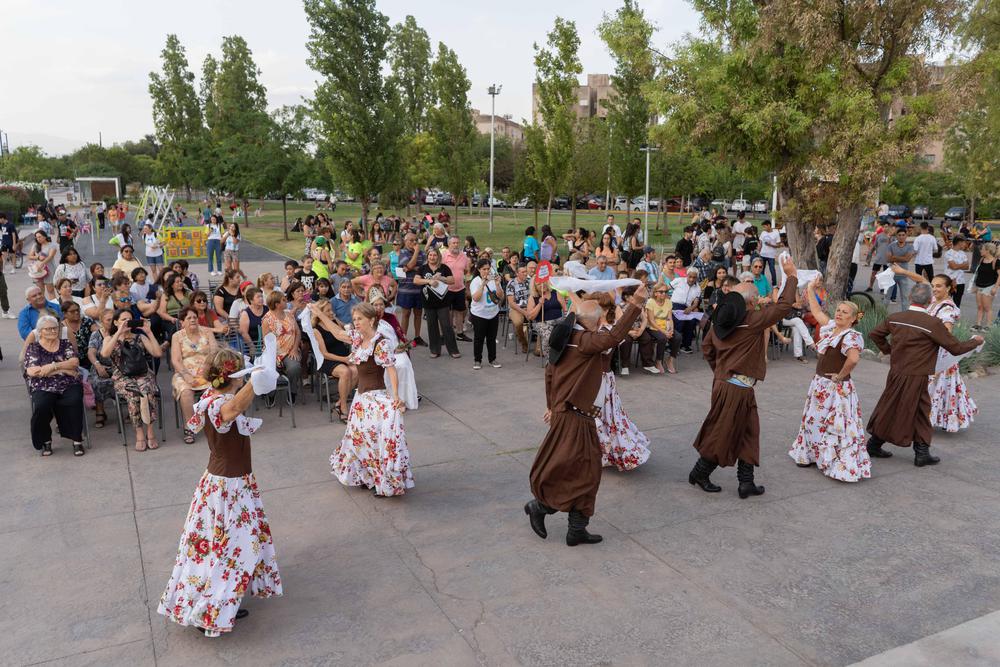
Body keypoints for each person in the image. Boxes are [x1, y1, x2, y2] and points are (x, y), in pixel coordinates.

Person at [158, 347, 282, 637]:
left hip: (226, 482)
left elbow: (235, 406)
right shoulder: (219, 404)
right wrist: (256, 379)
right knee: (235, 548)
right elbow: (234, 409)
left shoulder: (212, 399)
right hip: (228, 486)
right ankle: (212, 609)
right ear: (233, 376)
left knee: (224, 547)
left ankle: (220, 602)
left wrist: (253, 378)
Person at [524, 284, 647, 546]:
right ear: (592, 323)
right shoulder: (584, 341)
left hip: (571, 414)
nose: (603, 321)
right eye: (600, 319)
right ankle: (541, 506)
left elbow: (549, 375)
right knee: (579, 471)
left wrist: (552, 405)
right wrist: (635, 303)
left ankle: (576, 528)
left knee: (587, 471)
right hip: (574, 418)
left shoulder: (564, 338)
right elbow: (613, 338)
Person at [688, 255, 800, 497]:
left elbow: (708, 349)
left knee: (749, 431)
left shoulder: (722, 321)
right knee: (722, 433)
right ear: (750, 303)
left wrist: (720, 372)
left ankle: (746, 482)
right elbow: (783, 307)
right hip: (735, 387)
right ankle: (700, 472)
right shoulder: (750, 321)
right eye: (755, 299)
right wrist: (791, 276)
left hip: (732, 384)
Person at [866, 283, 983, 466]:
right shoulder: (932, 323)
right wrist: (975, 341)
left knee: (903, 408)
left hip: (897, 372)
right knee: (904, 409)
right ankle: (891, 448)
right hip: (917, 375)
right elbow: (955, 348)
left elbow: (875, 334)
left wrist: (889, 350)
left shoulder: (896, 317)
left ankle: (914, 451)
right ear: (930, 301)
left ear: (911, 298)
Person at [787, 281, 871, 481]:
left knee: (835, 424)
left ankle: (834, 461)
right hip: (820, 384)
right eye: (839, 310)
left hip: (836, 387)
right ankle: (812, 454)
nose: (839, 314)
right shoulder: (832, 328)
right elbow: (816, 312)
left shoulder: (850, 336)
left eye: (844, 312)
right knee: (814, 419)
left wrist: (840, 376)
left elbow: (853, 359)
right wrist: (810, 289)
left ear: (852, 319)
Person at [329, 303, 413, 496]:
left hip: (375, 399)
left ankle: (383, 480)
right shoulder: (359, 339)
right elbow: (336, 333)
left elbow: (391, 369)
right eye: (355, 319)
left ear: (371, 320)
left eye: (359, 319)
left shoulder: (380, 342)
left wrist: (396, 396)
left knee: (375, 441)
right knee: (358, 440)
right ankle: (366, 477)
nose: (356, 323)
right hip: (361, 401)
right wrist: (317, 314)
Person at [893, 267, 978, 433]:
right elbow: (921, 280)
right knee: (939, 387)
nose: (934, 288)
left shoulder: (947, 308)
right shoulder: (932, 298)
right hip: (929, 350)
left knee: (935, 386)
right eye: (933, 285)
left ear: (948, 288)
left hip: (939, 353)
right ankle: (928, 418)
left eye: (939, 286)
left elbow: (946, 332)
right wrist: (902, 271)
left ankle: (924, 419)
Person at [588, 293, 652, 471]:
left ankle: (606, 452)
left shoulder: (607, 331)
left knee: (605, 415)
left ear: (605, 309)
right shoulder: (594, 327)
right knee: (599, 416)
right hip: (596, 378)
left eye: (596, 306)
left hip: (601, 379)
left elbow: (602, 350)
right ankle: (597, 452)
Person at [101, 310, 162, 451]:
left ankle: (150, 431)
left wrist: (149, 332)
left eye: (129, 319)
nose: (127, 322)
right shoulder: (109, 339)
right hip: (122, 376)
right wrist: (119, 333)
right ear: (115, 322)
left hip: (143, 374)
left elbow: (157, 353)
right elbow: (105, 354)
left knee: (146, 391)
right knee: (134, 394)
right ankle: (139, 433)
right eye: (123, 320)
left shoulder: (140, 337)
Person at [25, 315, 85, 457]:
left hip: (68, 383)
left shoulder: (65, 344)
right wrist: (63, 369)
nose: (53, 331)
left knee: (74, 400)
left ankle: (77, 440)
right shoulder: (34, 347)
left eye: (55, 328)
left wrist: (52, 366)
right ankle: (45, 440)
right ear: (40, 332)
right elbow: (33, 371)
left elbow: (74, 362)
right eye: (48, 329)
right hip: (43, 385)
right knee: (41, 405)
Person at [309, 299, 358, 423]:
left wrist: (349, 328)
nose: (332, 313)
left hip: (344, 356)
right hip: (328, 360)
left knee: (357, 370)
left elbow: (346, 331)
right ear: (320, 313)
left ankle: (339, 402)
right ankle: (343, 408)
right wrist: (345, 360)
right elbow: (324, 354)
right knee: (345, 372)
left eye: (332, 310)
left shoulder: (335, 322)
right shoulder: (316, 330)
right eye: (328, 311)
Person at [414, 246, 461, 359]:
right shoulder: (423, 268)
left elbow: (452, 280)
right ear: (427, 256)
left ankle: (453, 350)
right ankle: (435, 350)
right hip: (428, 302)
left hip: (443, 302)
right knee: (432, 326)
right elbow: (416, 280)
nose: (432, 257)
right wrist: (429, 281)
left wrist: (441, 279)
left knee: (446, 326)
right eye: (430, 255)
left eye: (434, 255)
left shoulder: (444, 267)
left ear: (438, 256)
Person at [262, 290, 302, 404]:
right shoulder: (267, 319)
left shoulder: (289, 314)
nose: (286, 301)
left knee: (294, 368)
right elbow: (267, 341)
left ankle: (292, 391)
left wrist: (294, 349)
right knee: (270, 369)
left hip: (290, 351)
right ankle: (270, 393)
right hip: (273, 353)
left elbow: (298, 333)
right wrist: (274, 357)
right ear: (277, 304)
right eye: (283, 300)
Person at [468, 258, 503, 370]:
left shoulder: (494, 279)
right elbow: (476, 298)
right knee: (479, 338)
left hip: (493, 313)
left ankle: (492, 359)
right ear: (479, 269)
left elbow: (500, 296)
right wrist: (483, 285)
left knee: (491, 338)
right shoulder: (475, 281)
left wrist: (497, 284)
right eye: (484, 269)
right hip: (479, 315)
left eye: (488, 269)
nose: (487, 271)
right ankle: (477, 360)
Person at [87, 308, 116, 428]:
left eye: (113, 319)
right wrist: (98, 365)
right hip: (101, 365)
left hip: (119, 366)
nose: (111, 322)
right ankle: (100, 410)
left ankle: (131, 409)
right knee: (96, 381)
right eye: (108, 320)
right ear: (101, 321)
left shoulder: (122, 332)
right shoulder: (96, 334)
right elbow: (91, 352)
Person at [396, 233, 426, 346]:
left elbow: (422, 268)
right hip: (406, 289)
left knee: (418, 313)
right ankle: (403, 339)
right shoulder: (403, 252)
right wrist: (416, 253)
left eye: (415, 240)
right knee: (406, 314)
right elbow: (409, 265)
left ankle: (417, 337)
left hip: (419, 288)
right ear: (406, 241)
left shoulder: (423, 253)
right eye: (411, 240)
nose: (413, 243)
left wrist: (410, 267)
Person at [644, 283, 680, 374]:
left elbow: (670, 318)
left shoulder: (668, 302)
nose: (664, 293)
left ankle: (670, 359)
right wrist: (664, 332)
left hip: (665, 325)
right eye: (661, 292)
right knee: (662, 338)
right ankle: (658, 360)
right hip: (653, 327)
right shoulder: (650, 302)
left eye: (665, 292)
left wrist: (671, 329)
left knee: (678, 337)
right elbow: (651, 321)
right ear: (655, 293)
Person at [525, 279, 567, 358]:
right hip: (542, 323)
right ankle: (550, 359)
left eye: (543, 282)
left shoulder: (555, 292)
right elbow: (530, 316)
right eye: (538, 284)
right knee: (549, 337)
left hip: (559, 321)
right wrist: (540, 304)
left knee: (568, 334)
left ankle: (562, 357)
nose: (542, 285)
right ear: (535, 287)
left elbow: (565, 308)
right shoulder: (533, 297)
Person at [670, 271, 702, 353]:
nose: (691, 279)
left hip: (688, 307)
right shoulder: (679, 281)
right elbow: (666, 289)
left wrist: (691, 308)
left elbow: (696, 302)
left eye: (694, 277)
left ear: (696, 278)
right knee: (678, 322)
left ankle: (685, 345)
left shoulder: (698, 287)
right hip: (675, 304)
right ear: (687, 275)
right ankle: (672, 346)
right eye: (690, 277)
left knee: (692, 321)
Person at [885, 227, 916, 309]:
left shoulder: (910, 247)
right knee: (887, 297)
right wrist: (902, 258)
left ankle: (905, 316)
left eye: (903, 235)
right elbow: (888, 259)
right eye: (899, 235)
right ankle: (881, 315)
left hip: (903, 275)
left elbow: (907, 259)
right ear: (896, 236)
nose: (901, 237)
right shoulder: (891, 245)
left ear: (906, 236)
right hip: (891, 275)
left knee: (905, 298)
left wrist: (894, 257)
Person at [505, 265, 532, 354]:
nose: (525, 273)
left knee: (543, 320)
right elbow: (511, 303)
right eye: (523, 272)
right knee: (518, 323)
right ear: (517, 273)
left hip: (530, 307)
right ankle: (524, 343)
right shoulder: (512, 283)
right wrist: (524, 312)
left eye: (526, 271)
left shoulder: (530, 281)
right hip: (516, 308)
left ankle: (540, 347)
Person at [972, 242, 998, 330]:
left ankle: (988, 326)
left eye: (982, 249)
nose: (980, 251)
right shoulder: (982, 259)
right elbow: (978, 274)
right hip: (979, 286)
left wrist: (995, 287)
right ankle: (978, 324)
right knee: (979, 306)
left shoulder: (995, 261)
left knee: (987, 307)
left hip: (989, 286)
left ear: (987, 251)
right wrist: (974, 285)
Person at [27, 230, 58, 300]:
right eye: (37, 237)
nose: (38, 239)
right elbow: (30, 256)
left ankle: (53, 307)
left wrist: (42, 263)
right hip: (38, 271)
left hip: (49, 270)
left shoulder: (52, 245)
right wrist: (37, 257)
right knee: (40, 291)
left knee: (50, 290)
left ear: (45, 236)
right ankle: (42, 307)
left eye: (40, 237)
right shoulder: (35, 245)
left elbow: (50, 256)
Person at [943, 234, 971, 307]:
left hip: (961, 282)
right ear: (959, 242)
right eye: (964, 242)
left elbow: (967, 267)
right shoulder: (948, 253)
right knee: (946, 303)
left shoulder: (963, 253)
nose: (965, 244)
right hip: (950, 281)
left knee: (957, 304)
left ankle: (954, 317)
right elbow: (954, 266)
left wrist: (956, 266)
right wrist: (962, 265)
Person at [238, 287, 267, 353]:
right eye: (258, 297)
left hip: (268, 342)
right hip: (254, 344)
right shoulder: (246, 313)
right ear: (251, 300)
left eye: (261, 296)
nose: (261, 299)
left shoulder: (267, 309)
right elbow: (244, 333)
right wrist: (252, 347)